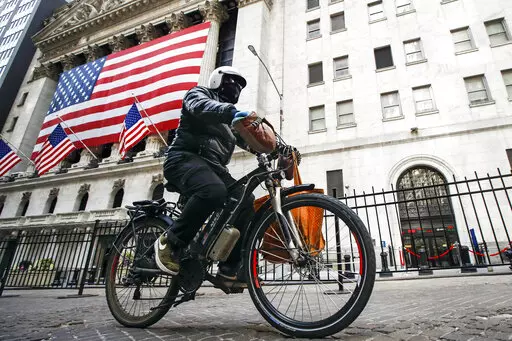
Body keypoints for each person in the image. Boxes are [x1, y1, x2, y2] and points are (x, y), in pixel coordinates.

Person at [153, 66, 255, 282]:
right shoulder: (199, 94)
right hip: (184, 158)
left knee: (245, 199)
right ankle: (170, 241)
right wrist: (229, 112)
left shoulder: (231, 122)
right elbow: (202, 107)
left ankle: (229, 268)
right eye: (232, 81)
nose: (236, 87)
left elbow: (252, 141)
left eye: (240, 85)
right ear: (218, 80)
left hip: (213, 168)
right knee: (213, 191)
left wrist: (278, 149)